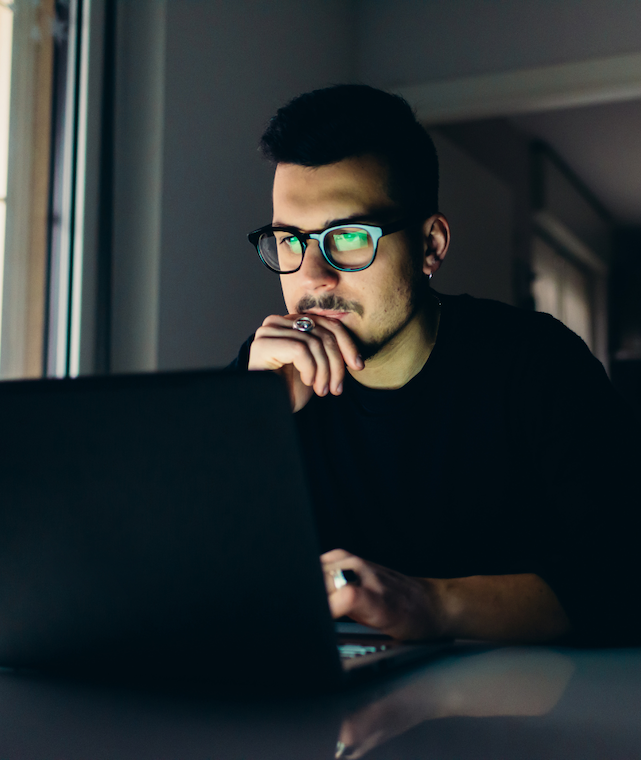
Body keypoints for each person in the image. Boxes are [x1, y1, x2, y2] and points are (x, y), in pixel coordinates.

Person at [229, 84, 640, 646]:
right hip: (328, 724)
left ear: (430, 245)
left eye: (348, 236)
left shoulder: (535, 363)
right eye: (289, 240)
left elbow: (623, 574)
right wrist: (251, 419)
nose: (313, 276)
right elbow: (169, 572)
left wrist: (431, 604)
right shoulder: (263, 378)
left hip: (537, 717)